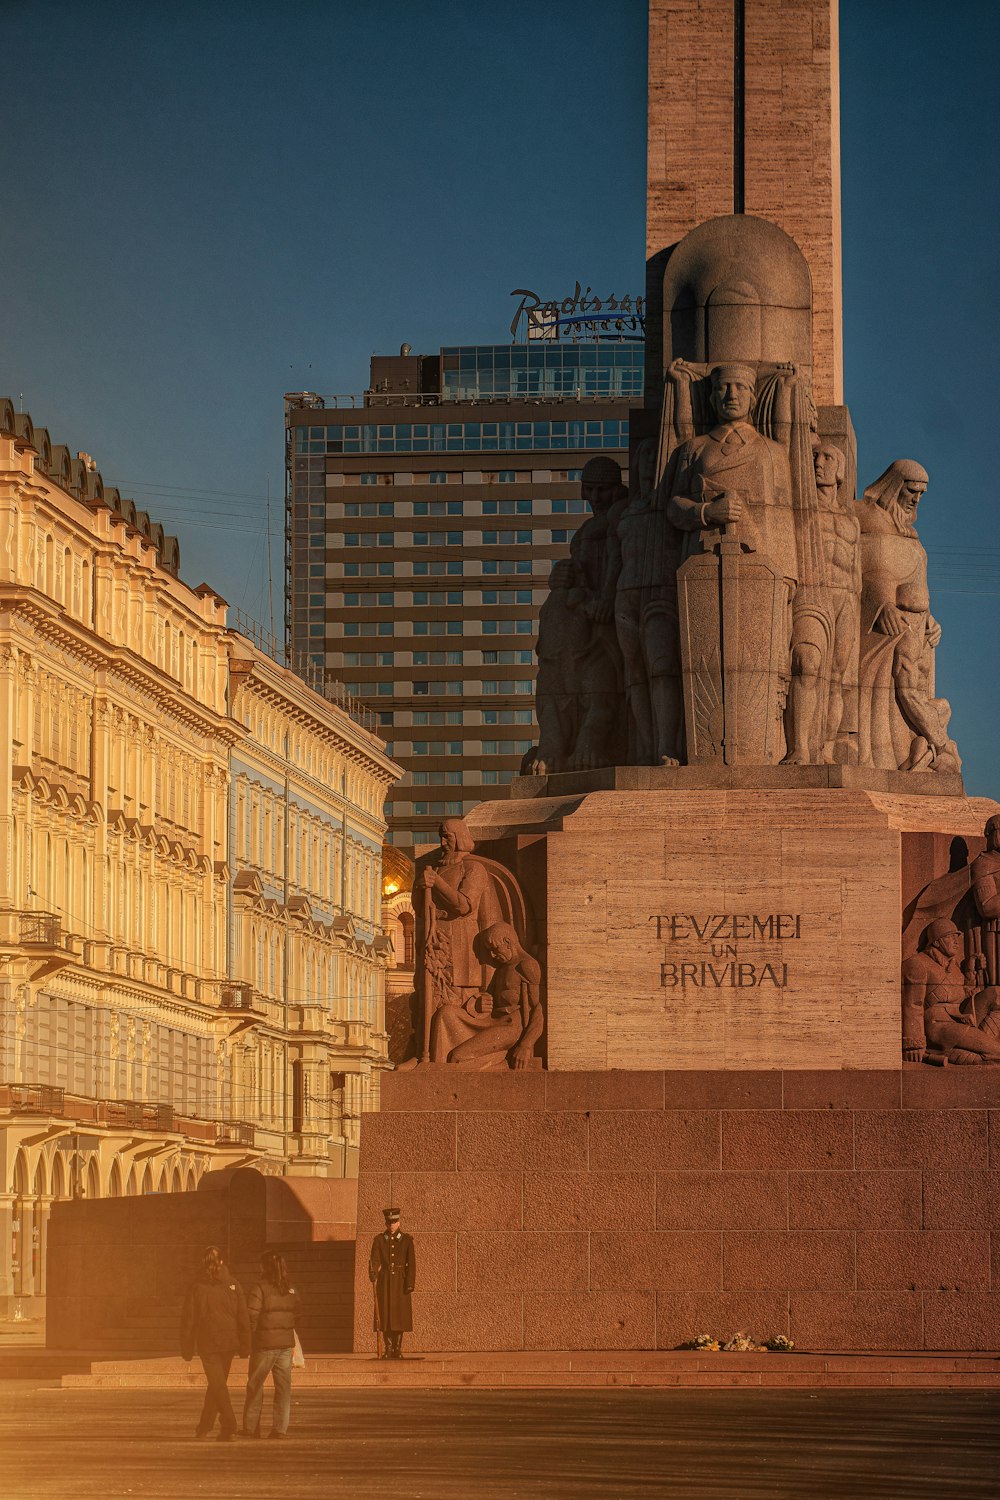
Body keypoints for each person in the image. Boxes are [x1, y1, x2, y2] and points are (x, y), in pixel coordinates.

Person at [429, 920, 544, 1068]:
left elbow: (538, 1009)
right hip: (491, 1021)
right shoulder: (502, 969)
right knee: (446, 1013)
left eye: (495, 949)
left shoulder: (527, 966)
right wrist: (479, 1003)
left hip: (509, 1027)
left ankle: (499, 1062)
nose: (492, 955)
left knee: (457, 1057)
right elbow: (488, 998)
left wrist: (526, 1045)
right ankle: (433, 1062)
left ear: (507, 942)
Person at [901, 919, 1000, 1064]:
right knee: (996, 1052)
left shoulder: (952, 966)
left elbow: (961, 995)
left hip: (960, 1020)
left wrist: (970, 971)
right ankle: (959, 1053)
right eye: (950, 936)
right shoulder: (918, 963)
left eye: (956, 936)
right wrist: (913, 1045)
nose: (956, 941)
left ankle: (971, 1051)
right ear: (936, 942)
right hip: (938, 1026)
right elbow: (913, 1004)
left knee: (996, 992)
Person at [180, 1244, 250, 1441]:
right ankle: (204, 1426)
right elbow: (243, 1316)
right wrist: (245, 1344)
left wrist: (187, 1347)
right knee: (216, 1384)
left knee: (217, 1384)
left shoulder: (197, 1287)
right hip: (228, 1342)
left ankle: (229, 1423)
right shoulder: (234, 1284)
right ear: (222, 1261)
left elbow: (188, 1320)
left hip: (208, 1343)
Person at [242, 1250, 301, 1440]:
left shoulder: (259, 1288)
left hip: (264, 1345)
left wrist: (250, 1337)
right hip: (285, 1345)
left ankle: (251, 1428)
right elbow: (297, 1313)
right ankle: (280, 1429)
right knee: (283, 1388)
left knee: (255, 1386)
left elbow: (251, 1315)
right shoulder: (290, 1288)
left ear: (265, 1267)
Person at [369, 1207, 416, 1359]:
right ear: (385, 1223)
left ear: (399, 1222)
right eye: (389, 1222)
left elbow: (412, 1263)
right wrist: (373, 1272)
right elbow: (374, 1259)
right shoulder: (379, 1240)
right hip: (385, 1281)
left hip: (401, 1282)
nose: (392, 1225)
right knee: (386, 1315)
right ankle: (388, 1348)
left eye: (394, 1222)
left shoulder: (407, 1240)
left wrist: (410, 1283)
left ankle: (397, 1348)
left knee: (399, 1316)